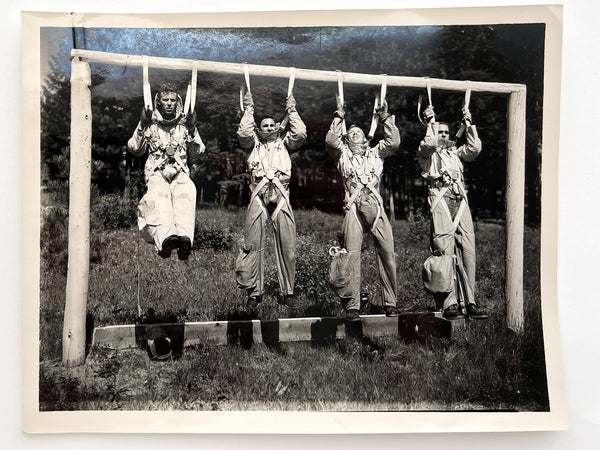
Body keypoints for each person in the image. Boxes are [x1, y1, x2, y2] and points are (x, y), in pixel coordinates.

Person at [325, 97, 400, 321]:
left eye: (358, 131)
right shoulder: (343, 156)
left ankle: (391, 303)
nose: (354, 133)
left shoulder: (376, 153)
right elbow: (331, 141)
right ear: (347, 140)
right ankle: (352, 306)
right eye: (351, 133)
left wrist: (385, 117)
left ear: (365, 139)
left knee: (387, 254)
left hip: (376, 209)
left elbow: (394, 142)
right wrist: (339, 116)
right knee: (351, 256)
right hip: (353, 210)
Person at [234, 91, 307, 311]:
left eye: (271, 125)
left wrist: (292, 110)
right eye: (264, 125)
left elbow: (301, 133)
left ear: (277, 127)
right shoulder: (252, 145)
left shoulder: (285, 143)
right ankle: (254, 293)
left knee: (288, 246)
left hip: (281, 197)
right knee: (253, 245)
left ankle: (288, 292)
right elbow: (244, 132)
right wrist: (249, 109)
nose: (268, 128)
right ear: (259, 129)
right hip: (258, 196)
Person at [417, 105, 487, 320]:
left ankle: (471, 301)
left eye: (446, 132)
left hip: (460, 199)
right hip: (439, 197)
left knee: (468, 248)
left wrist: (468, 123)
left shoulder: (456, 152)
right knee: (443, 248)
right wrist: (430, 122)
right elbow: (429, 143)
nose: (444, 135)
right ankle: (450, 303)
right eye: (440, 132)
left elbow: (474, 149)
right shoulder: (426, 153)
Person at [127, 83, 205, 260]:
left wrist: (192, 128)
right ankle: (165, 240)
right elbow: (134, 148)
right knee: (159, 197)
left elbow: (198, 151)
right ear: (159, 102)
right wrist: (142, 123)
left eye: (172, 100)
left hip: (179, 172)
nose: (169, 103)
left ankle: (185, 240)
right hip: (157, 173)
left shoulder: (184, 124)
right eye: (165, 100)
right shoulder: (150, 124)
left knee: (187, 192)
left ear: (177, 101)